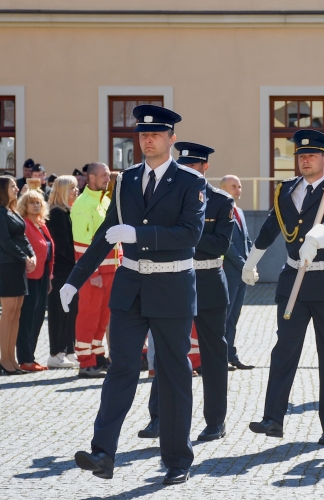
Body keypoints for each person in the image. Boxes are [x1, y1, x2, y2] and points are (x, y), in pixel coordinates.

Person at [60, 105, 206, 484]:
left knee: (173, 373)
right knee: (122, 368)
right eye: (142, 133)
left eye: (156, 133)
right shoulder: (124, 181)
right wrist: (75, 278)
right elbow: (105, 233)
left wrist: (139, 235)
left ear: (171, 138)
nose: (148, 139)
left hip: (171, 287)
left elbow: (190, 235)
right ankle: (103, 453)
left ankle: (176, 459)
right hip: (130, 288)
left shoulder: (191, 182)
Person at [245, 129, 324, 446]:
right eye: (301, 155)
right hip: (294, 281)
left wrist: (317, 239)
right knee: (285, 350)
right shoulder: (286, 190)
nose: (305, 160)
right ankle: (273, 419)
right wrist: (251, 260)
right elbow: (271, 226)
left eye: (311, 155)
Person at [139, 141, 234, 442]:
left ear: (205, 167)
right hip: (175, 280)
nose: (188, 171)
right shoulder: (170, 196)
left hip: (207, 280)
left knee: (213, 355)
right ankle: (158, 418)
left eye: (194, 166)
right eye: (184, 166)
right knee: (168, 352)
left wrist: (185, 235)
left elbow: (220, 245)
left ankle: (215, 421)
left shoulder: (221, 201)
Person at [71, 162, 120, 378]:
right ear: (90, 178)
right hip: (96, 273)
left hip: (110, 270)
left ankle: (98, 355)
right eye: (103, 176)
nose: (107, 179)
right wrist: (92, 273)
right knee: (89, 316)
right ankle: (85, 361)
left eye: (108, 176)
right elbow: (81, 244)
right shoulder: (82, 204)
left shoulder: (105, 200)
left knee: (102, 317)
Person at [0, 176, 36, 375]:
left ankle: (11, 359)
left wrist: (31, 255)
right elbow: (5, 241)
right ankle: (4, 359)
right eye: (12, 186)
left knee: (17, 312)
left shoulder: (12, 211)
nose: (16, 188)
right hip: (6, 265)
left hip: (18, 265)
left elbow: (23, 236)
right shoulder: (0, 213)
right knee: (8, 312)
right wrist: (25, 257)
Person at [15, 190, 54, 371]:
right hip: (28, 276)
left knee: (38, 318)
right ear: (24, 205)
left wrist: (50, 276)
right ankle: (24, 359)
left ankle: (31, 356)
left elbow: (48, 250)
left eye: (38, 202)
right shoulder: (23, 224)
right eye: (32, 202)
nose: (36, 205)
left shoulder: (41, 224)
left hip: (43, 274)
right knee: (27, 318)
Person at [220, 174, 254, 370]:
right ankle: (221, 356)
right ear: (223, 188)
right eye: (234, 186)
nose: (238, 189)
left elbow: (246, 240)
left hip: (242, 271)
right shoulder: (222, 210)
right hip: (229, 271)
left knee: (234, 315)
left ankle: (231, 354)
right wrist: (244, 265)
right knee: (225, 315)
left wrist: (252, 262)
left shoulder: (238, 211)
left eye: (240, 186)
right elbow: (227, 244)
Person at [46, 175, 80, 368]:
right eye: (72, 188)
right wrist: (78, 261)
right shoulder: (57, 213)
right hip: (61, 269)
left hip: (70, 268)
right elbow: (63, 245)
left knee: (71, 310)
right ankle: (55, 352)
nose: (76, 191)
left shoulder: (68, 211)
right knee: (60, 311)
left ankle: (69, 349)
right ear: (62, 191)